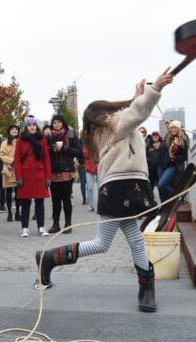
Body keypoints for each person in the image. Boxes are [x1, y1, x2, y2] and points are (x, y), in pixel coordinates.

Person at [35, 68, 174, 314]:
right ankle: (50, 258)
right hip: (124, 186)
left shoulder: (106, 128)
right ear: (105, 114)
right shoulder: (113, 127)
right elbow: (135, 114)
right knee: (108, 242)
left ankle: (146, 286)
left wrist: (138, 97)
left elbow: (133, 113)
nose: (118, 112)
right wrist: (156, 89)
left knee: (122, 240)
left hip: (122, 186)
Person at [15, 116, 52, 237]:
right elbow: (17, 160)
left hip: (39, 175)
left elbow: (46, 159)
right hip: (25, 175)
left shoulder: (42, 140)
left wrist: (48, 177)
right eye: (29, 125)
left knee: (39, 202)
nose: (32, 127)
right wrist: (19, 177)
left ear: (36, 127)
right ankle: (24, 228)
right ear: (26, 128)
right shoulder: (20, 141)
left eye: (34, 125)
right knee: (25, 203)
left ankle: (41, 227)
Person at [47, 115, 82, 234]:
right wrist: (51, 149)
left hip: (67, 171)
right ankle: (55, 224)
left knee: (66, 199)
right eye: (54, 122)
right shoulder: (49, 136)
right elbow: (44, 152)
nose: (56, 124)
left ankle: (68, 224)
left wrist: (65, 149)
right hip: (53, 171)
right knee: (55, 200)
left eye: (59, 122)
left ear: (63, 123)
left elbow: (79, 151)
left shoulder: (71, 134)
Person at [157, 120, 189, 202]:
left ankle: (178, 196)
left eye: (175, 127)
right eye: (171, 128)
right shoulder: (167, 138)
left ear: (179, 129)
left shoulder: (183, 140)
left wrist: (174, 158)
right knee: (162, 189)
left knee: (161, 185)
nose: (173, 129)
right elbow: (161, 151)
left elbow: (184, 157)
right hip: (160, 166)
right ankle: (164, 207)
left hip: (171, 166)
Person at [0, 124, 21, 222]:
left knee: (18, 191)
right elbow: (1, 154)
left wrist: (17, 162)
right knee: (8, 192)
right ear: (9, 131)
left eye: (16, 129)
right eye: (12, 129)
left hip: (19, 169)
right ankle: (9, 213)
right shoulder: (4, 142)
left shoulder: (21, 142)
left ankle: (17, 213)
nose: (14, 130)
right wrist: (11, 161)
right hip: (8, 169)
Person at [83, 144, 99, 212]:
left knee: (100, 187)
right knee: (90, 188)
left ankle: (101, 205)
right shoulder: (87, 141)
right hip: (89, 167)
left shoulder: (99, 139)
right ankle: (91, 205)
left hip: (99, 166)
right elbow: (85, 154)